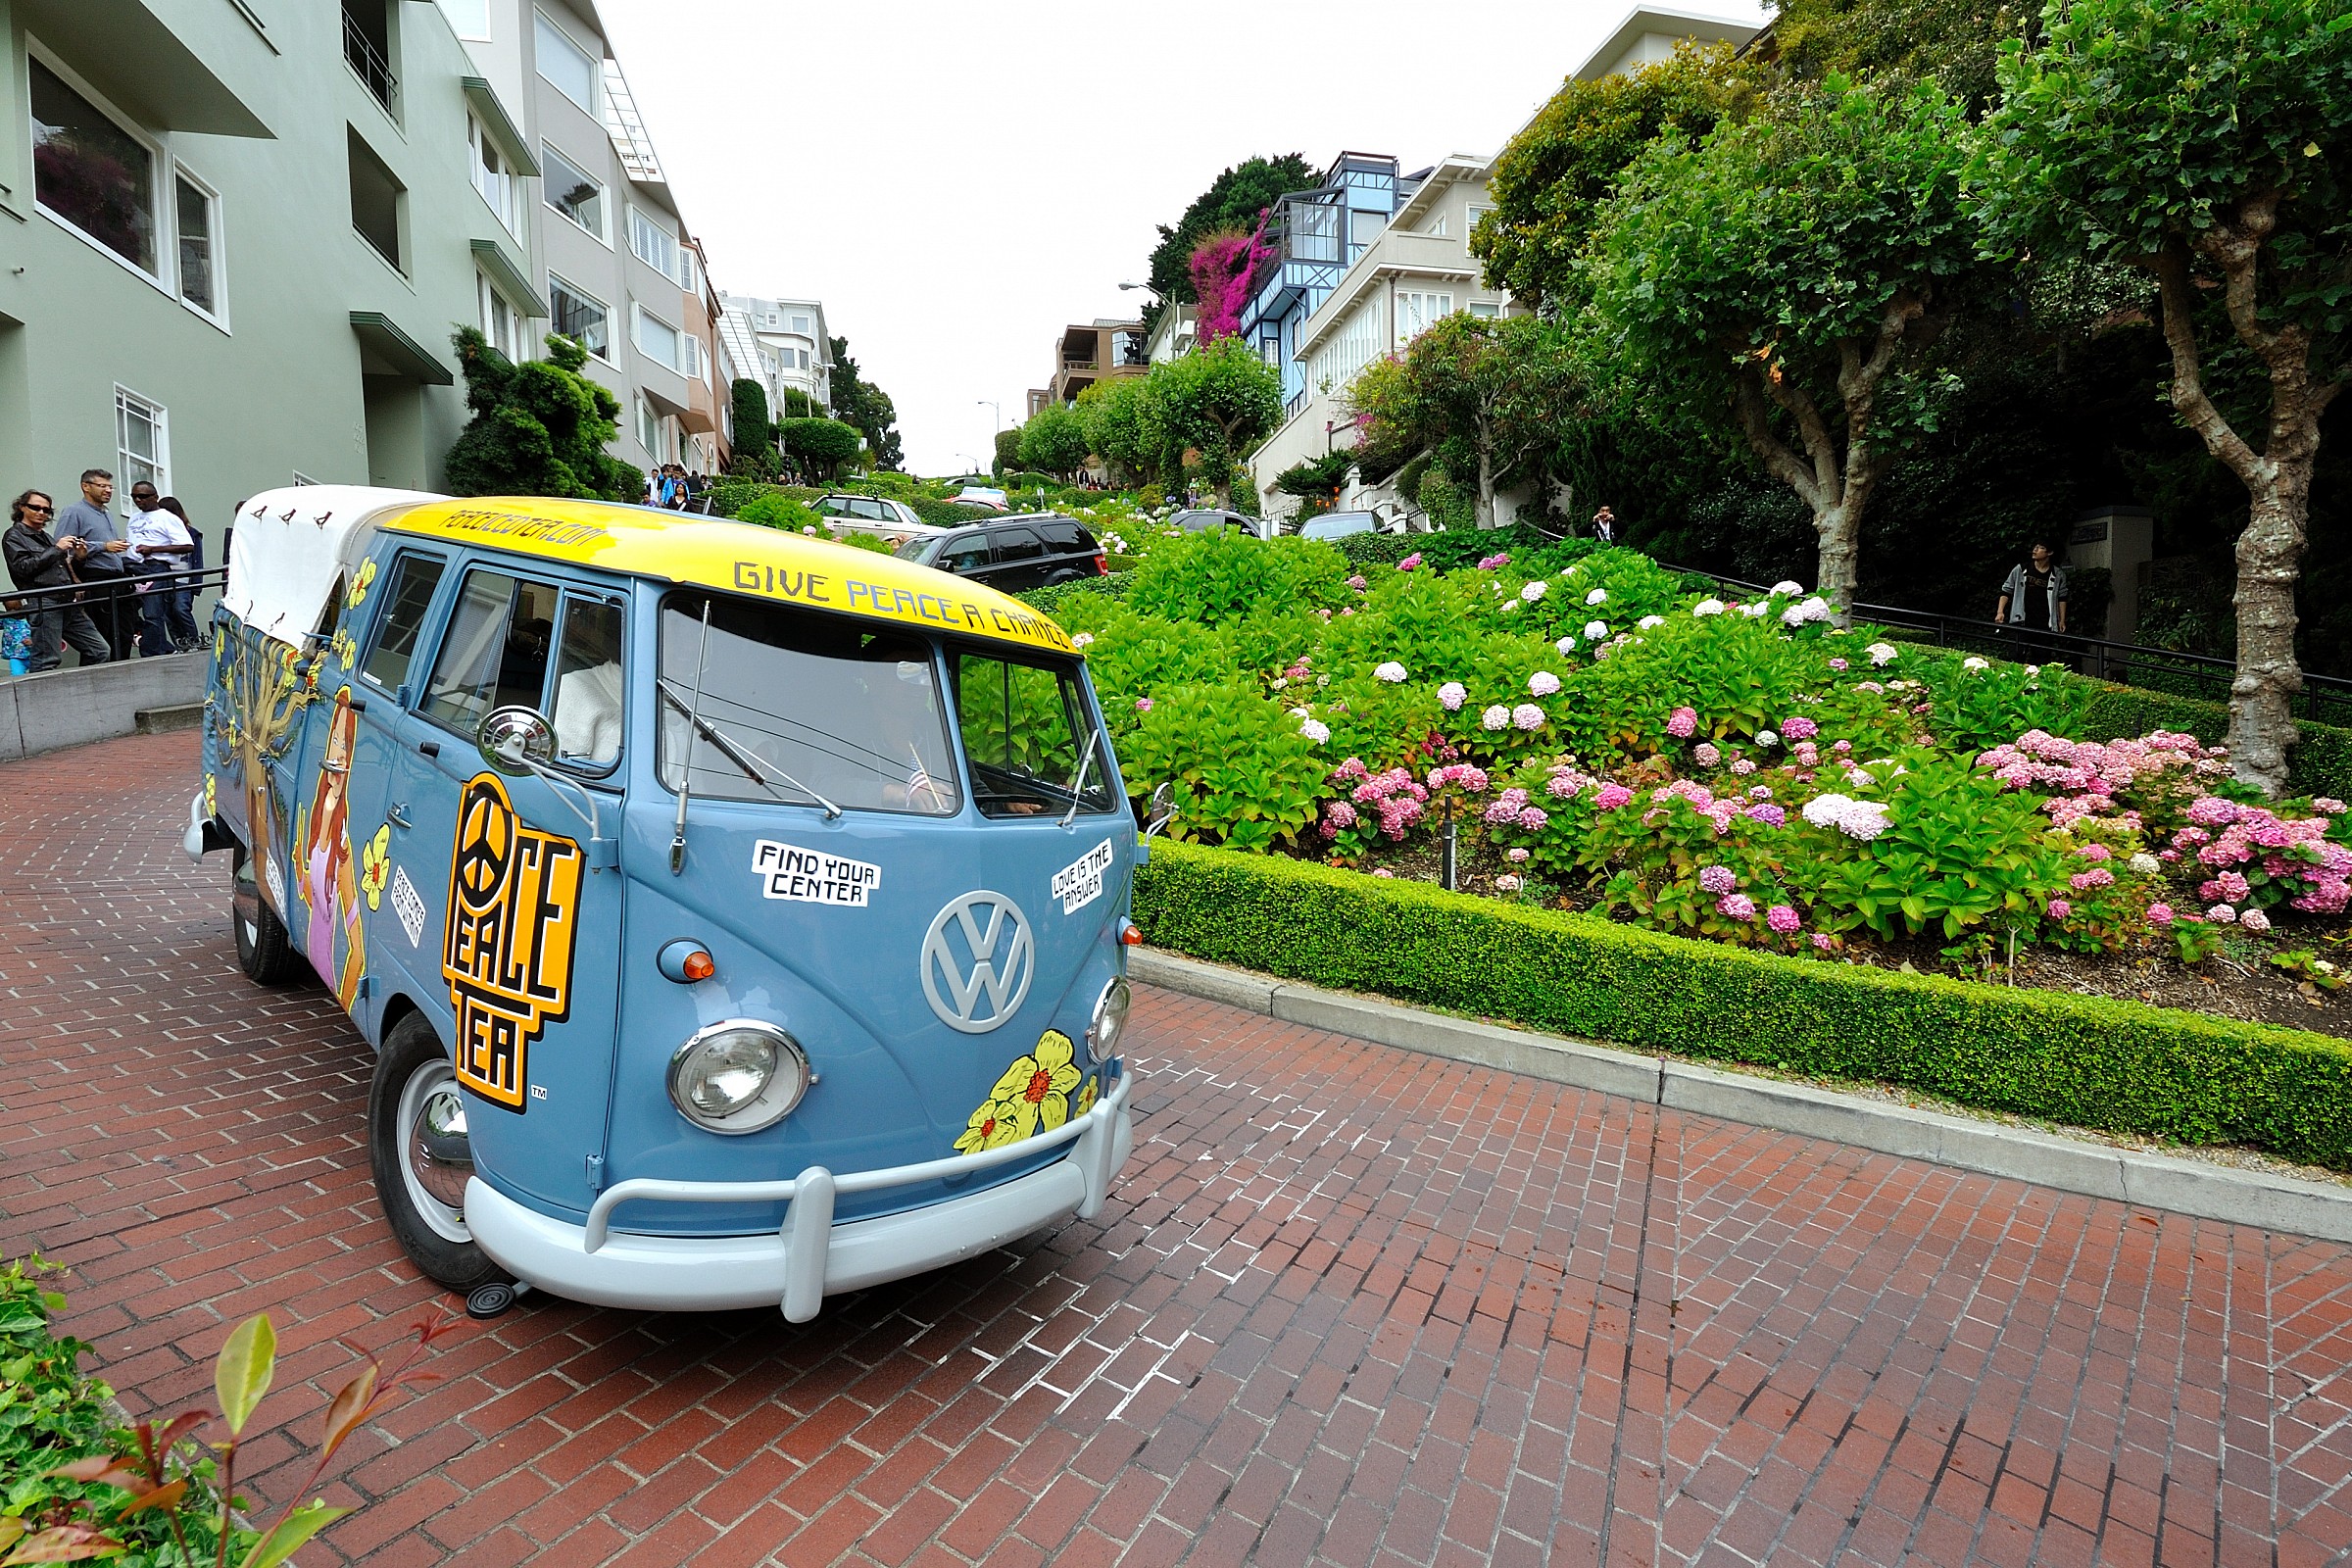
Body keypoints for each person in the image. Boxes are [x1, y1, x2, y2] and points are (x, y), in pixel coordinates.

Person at [3, 489, 109, 670]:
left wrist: (80, 557)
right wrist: (57, 549)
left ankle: (83, 692)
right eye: (35, 507)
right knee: (46, 660)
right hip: (45, 601)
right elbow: (22, 568)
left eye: (46, 510)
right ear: (21, 508)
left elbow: (60, 569)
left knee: (99, 651)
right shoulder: (14, 536)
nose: (41, 512)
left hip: (67, 601)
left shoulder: (45, 537)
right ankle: (40, 697)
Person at [54, 469, 133, 659]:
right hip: (96, 579)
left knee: (123, 634)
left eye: (110, 486)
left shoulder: (106, 513)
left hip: (117, 580)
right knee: (102, 636)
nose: (108, 490)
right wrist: (104, 546)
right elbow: (64, 546)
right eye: (102, 486)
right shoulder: (74, 512)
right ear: (86, 487)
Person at [124, 480, 196, 657]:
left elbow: (188, 545)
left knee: (153, 613)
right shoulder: (134, 517)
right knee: (134, 614)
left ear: (155, 497)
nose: (138, 500)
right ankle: (164, 648)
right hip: (133, 568)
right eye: (134, 497)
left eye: (143, 496)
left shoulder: (167, 517)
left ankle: (153, 653)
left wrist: (153, 549)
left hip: (157, 567)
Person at [1995, 539, 2069, 636]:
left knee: (2042, 650)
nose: (2035, 550)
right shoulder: (2021, 569)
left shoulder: (2058, 574)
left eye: (2041, 548)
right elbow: (2006, 590)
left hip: (2045, 622)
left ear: (2050, 553)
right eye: (2035, 547)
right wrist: (2000, 612)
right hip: (2021, 619)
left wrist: (2061, 620)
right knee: (2017, 649)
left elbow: (2062, 598)